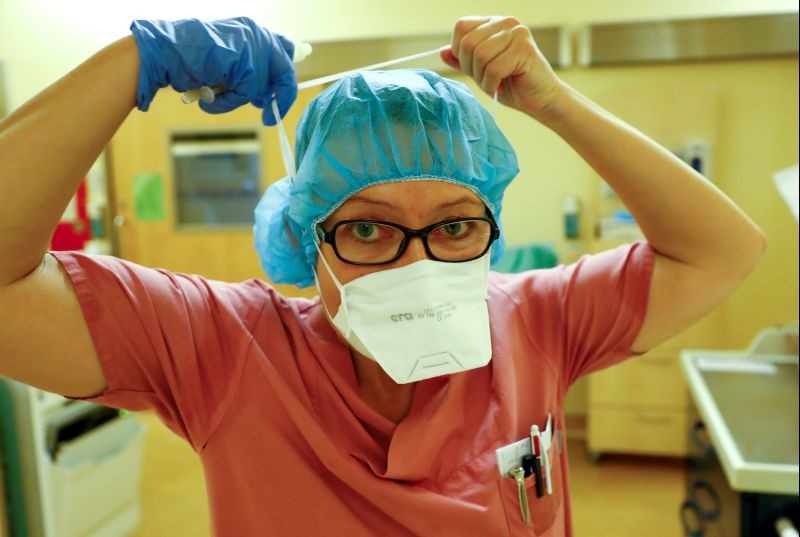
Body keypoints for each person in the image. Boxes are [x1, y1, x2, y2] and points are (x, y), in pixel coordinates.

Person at [0, 15, 765, 537]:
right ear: (311, 236)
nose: (419, 262)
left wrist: (555, 103)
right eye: (367, 228)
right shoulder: (226, 347)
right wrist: (137, 58)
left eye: (456, 225)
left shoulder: (536, 320)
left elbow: (722, 249)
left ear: (491, 225)